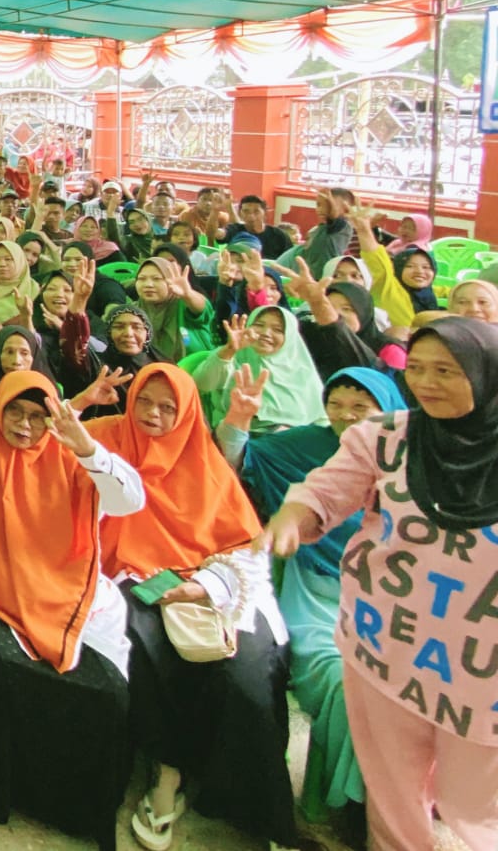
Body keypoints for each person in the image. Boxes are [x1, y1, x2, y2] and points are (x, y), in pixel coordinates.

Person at [263, 317, 498, 851]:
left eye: (446, 370)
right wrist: (293, 519)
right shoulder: (387, 437)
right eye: (415, 368)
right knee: (393, 788)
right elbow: (323, 492)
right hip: (386, 643)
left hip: (481, 671)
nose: (426, 383)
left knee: (476, 803)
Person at [0, 370, 145, 849]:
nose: (25, 425)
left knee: (107, 691)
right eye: (15, 412)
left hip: (73, 593)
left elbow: (130, 500)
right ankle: (10, 794)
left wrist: (85, 445)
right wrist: (4, 560)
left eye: (37, 416)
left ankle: (83, 807)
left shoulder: (73, 460)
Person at [87, 364, 297, 849]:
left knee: (245, 673)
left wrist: (205, 585)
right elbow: (48, 438)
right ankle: (167, 772)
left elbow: (244, 547)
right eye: (145, 401)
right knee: (141, 643)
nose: (154, 416)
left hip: (215, 582)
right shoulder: (109, 440)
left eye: (168, 407)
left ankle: (249, 802)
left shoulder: (202, 457)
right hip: (133, 575)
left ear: (186, 413)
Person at [218, 365, 406, 824]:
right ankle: (350, 810)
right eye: (336, 405)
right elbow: (234, 462)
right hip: (316, 596)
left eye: (361, 408)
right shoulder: (305, 446)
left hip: (396, 603)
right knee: (347, 685)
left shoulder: (415, 462)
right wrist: (238, 420)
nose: (346, 417)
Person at [193, 305, 326, 432]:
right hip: (237, 438)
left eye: (278, 330)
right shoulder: (230, 355)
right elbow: (202, 384)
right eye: (259, 325)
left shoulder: (302, 369)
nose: (266, 333)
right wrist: (229, 350)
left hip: (290, 443)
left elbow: (322, 419)